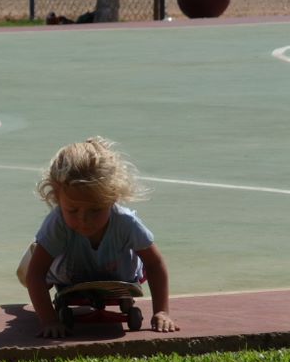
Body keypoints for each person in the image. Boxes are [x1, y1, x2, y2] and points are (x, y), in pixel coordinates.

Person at [18, 137, 179, 339]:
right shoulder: (57, 223)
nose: (84, 219)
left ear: (112, 197)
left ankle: (44, 247)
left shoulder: (126, 222)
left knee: (142, 259)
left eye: (95, 210)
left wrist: (161, 311)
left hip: (121, 275)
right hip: (67, 275)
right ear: (57, 198)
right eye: (73, 210)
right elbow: (36, 274)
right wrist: (49, 320)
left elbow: (154, 263)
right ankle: (37, 248)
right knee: (37, 261)